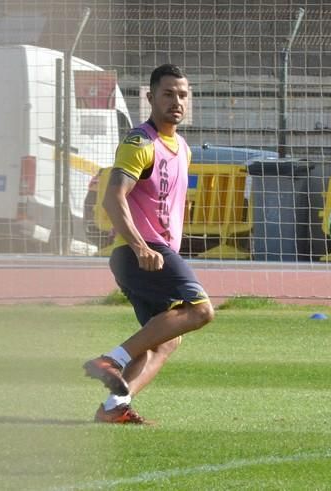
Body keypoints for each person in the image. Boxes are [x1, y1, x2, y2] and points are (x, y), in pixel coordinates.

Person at [82, 64, 215, 424]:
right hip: (139, 252)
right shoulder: (140, 143)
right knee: (202, 311)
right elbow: (113, 198)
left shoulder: (183, 149)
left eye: (183, 95)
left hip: (152, 253)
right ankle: (112, 359)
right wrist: (141, 247)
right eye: (168, 93)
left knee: (165, 340)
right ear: (151, 97)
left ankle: (114, 408)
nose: (177, 101)